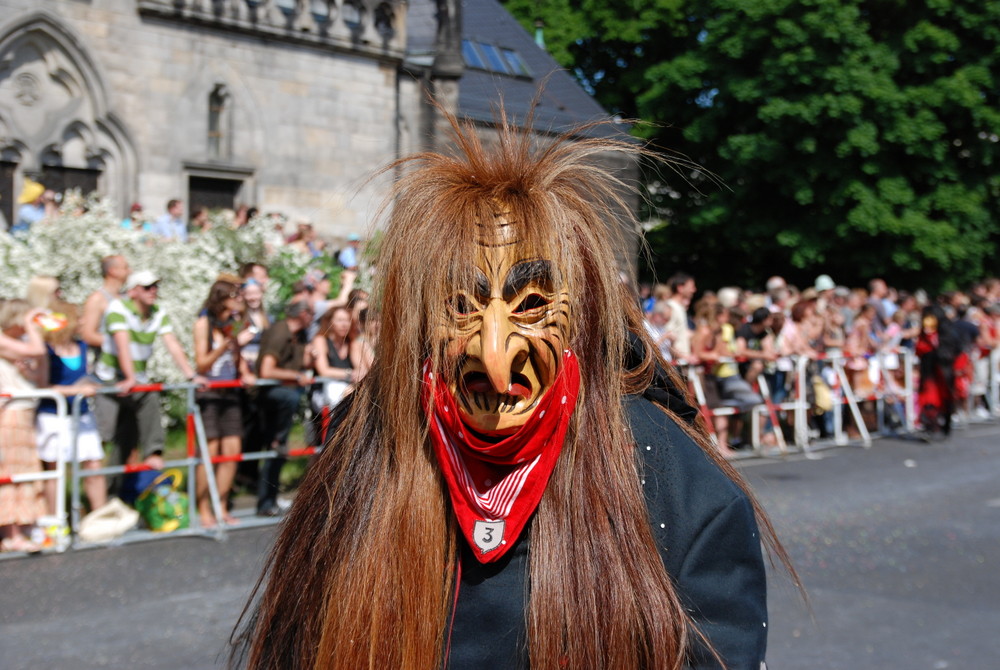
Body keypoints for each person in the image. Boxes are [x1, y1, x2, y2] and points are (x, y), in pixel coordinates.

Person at [234, 115, 787, 669]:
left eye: (530, 306)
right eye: (458, 307)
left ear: (583, 312)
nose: (493, 357)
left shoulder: (672, 478)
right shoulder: (365, 451)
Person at [94, 270, 204, 473]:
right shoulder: (118, 308)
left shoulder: (157, 312)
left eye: (155, 286)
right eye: (147, 287)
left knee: (127, 440)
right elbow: (122, 343)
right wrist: (130, 377)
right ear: (133, 291)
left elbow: (171, 343)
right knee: (104, 436)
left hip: (135, 381)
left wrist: (191, 374)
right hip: (109, 378)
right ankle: (93, 485)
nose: (153, 291)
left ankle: (149, 456)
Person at [193, 280, 256, 527]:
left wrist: (245, 372)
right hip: (210, 393)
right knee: (210, 452)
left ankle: (221, 505)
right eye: (234, 295)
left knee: (231, 451)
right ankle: (204, 508)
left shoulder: (234, 323)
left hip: (230, 392)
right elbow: (202, 363)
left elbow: (237, 357)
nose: (239, 299)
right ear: (221, 298)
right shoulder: (203, 324)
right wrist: (225, 345)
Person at [34, 301, 106, 515]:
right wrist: (74, 391)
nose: (83, 321)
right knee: (55, 470)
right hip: (54, 415)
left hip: (81, 414)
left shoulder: (82, 346)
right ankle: (55, 519)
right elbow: (43, 386)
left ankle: (100, 516)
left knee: (93, 464)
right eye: (78, 317)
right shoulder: (46, 349)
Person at [254, 300, 314, 517]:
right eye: (311, 313)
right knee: (275, 447)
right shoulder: (280, 332)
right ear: (302, 313)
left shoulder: (299, 335)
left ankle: (268, 502)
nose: (313, 318)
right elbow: (266, 370)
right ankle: (265, 502)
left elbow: (298, 364)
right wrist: (296, 376)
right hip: (270, 398)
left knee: (278, 451)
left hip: (283, 398)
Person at [0, 299, 48, 552]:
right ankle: (11, 532)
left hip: (25, 413)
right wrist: (32, 326)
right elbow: (39, 350)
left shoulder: (13, 346)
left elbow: (39, 372)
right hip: (11, 417)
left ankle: (25, 525)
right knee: (10, 473)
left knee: (27, 472)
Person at [79, 255, 131, 363]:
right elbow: (88, 335)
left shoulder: (127, 298)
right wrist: (120, 342)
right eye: (125, 267)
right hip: (104, 368)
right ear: (113, 271)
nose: (130, 271)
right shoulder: (97, 299)